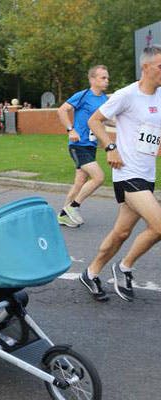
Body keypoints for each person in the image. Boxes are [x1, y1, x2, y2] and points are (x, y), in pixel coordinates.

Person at [80, 45, 161, 302]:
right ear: (145, 67)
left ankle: (90, 273)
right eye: (160, 66)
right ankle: (124, 267)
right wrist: (110, 147)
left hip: (147, 174)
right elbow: (94, 120)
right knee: (159, 226)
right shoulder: (126, 95)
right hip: (127, 173)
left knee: (121, 233)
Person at [57, 65, 109, 227]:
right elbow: (62, 110)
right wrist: (70, 129)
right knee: (99, 177)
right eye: (103, 78)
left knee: (80, 182)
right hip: (78, 145)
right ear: (92, 79)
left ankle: (62, 214)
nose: (107, 81)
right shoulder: (83, 95)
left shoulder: (105, 99)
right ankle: (73, 207)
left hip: (91, 145)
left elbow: (104, 121)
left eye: (107, 78)